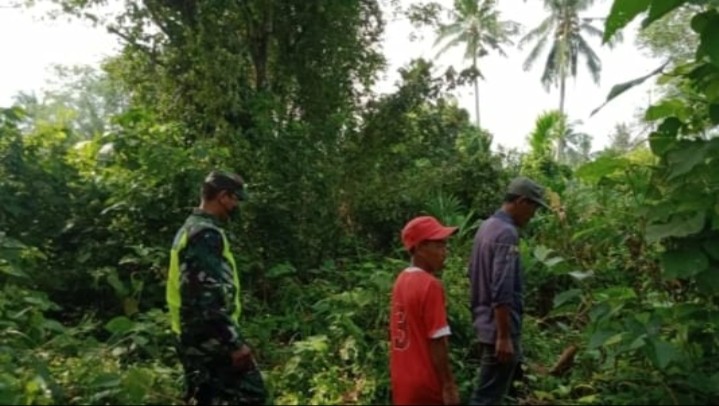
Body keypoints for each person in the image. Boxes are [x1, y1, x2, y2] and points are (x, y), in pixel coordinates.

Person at [166, 170, 266, 405]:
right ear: (223, 196)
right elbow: (206, 295)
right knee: (252, 396)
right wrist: (234, 343)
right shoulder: (205, 234)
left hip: (191, 335)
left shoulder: (190, 227)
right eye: (235, 199)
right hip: (210, 340)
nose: (236, 206)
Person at [467, 176, 549, 405]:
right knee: (486, 398)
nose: (533, 215)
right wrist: (503, 337)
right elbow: (501, 288)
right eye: (533, 207)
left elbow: (473, 273)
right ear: (521, 201)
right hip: (498, 329)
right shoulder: (506, 233)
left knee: (503, 390)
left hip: (485, 323)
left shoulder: (486, 226)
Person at [390, 215, 461, 405]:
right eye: (438, 245)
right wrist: (448, 384)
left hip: (402, 381)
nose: (444, 252)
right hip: (426, 382)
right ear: (420, 248)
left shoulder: (401, 280)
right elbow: (437, 341)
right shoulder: (430, 285)